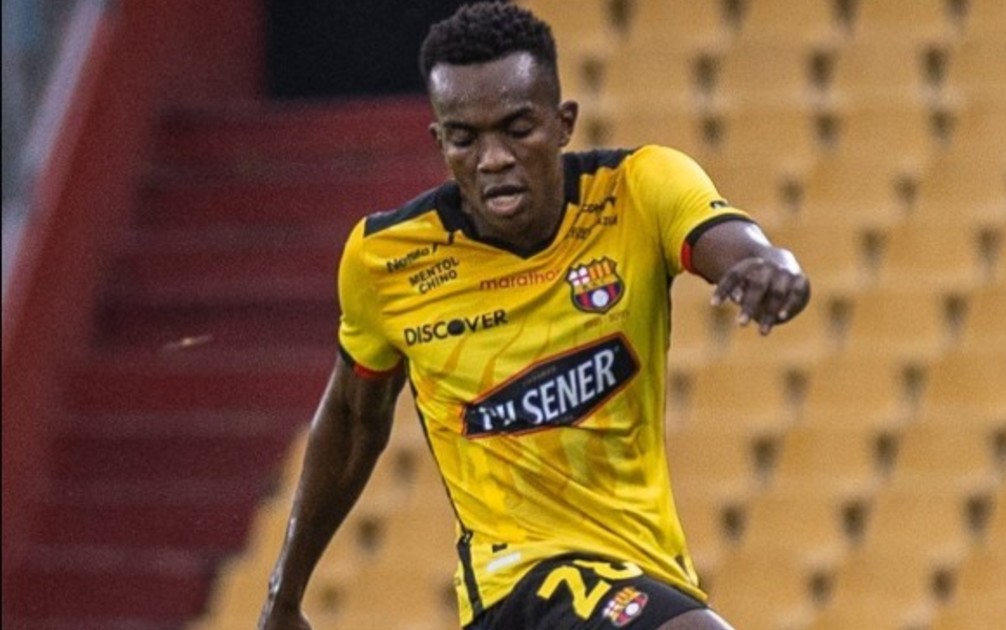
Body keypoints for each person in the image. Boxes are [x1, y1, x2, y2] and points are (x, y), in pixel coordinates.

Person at [258, 2, 811, 629]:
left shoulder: (637, 189)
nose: (493, 158)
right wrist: (284, 594)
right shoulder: (386, 260)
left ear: (563, 123)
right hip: (515, 588)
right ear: (440, 144)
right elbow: (354, 421)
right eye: (464, 139)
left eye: (517, 129)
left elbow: (735, 244)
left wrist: (773, 268)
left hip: (646, 575)